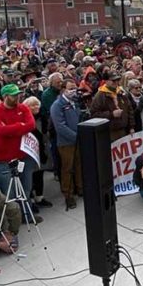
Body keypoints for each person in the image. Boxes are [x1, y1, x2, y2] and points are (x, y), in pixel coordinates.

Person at [0, 84, 41, 223]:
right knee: (9, 194)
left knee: (26, 189)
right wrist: (20, 126)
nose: (18, 97)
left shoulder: (23, 108)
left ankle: (27, 215)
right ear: (5, 96)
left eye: (18, 94)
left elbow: (31, 125)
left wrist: (11, 129)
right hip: (4, 159)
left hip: (24, 156)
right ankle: (13, 221)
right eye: (14, 95)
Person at [51, 79, 83, 210]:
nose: (73, 91)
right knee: (67, 169)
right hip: (66, 143)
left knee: (79, 165)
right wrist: (75, 137)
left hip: (78, 140)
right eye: (70, 88)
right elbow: (60, 126)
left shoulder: (74, 102)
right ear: (63, 89)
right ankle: (68, 195)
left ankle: (80, 188)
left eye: (75, 88)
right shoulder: (57, 105)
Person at [90, 72, 135, 141]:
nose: (116, 82)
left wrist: (131, 127)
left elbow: (130, 109)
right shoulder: (100, 95)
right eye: (113, 80)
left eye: (117, 80)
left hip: (124, 131)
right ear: (106, 81)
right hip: (109, 133)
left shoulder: (121, 92)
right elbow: (94, 114)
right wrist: (111, 114)